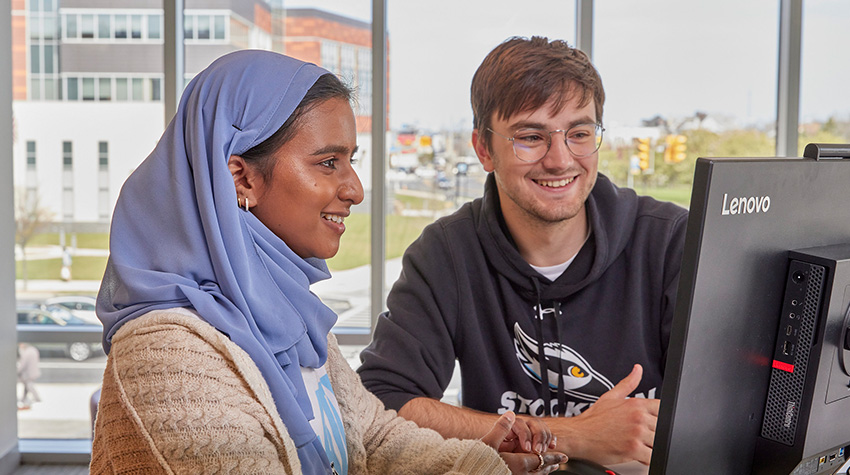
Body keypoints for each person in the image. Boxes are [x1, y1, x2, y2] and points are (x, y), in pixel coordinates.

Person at [90, 49, 565, 474]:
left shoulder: (283, 313)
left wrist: (480, 462)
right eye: (328, 162)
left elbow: (373, 437)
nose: (354, 189)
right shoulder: (167, 356)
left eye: (350, 160)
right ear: (241, 179)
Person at [358, 36, 689, 467]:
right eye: (531, 136)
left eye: (579, 133)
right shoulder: (446, 253)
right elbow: (382, 403)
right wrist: (575, 435)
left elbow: (728, 402)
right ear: (483, 149)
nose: (560, 159)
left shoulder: (670, 242)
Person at [17, 342, 42, 409]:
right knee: (26, 386)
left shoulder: (26, 353)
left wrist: (17, 371)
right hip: (33, 371)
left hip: (28, 373)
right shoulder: (33, 350)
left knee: (29, 386)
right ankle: (23, 398)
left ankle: (37, 398)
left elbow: (22, 364)